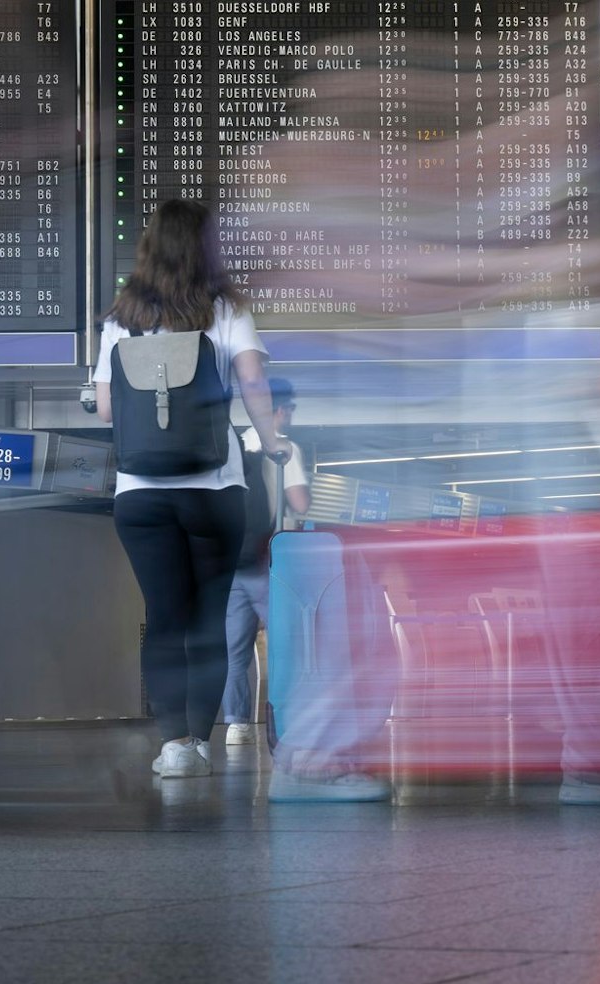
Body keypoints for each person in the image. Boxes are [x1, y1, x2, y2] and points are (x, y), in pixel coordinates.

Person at [94, 200, 382, 798]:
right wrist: (273, 442)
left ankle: (173, 746)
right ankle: (200, 739)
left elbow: (103, 406)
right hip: (212, 487)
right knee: (206, 617)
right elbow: (253, 383)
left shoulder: (121, 317)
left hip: (140, 493)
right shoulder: (224, 310)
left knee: (165, 616)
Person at [221, 377, 310, 748]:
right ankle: (288, 717)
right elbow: (301, 504)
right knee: (286, 642)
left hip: (231, 562)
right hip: (269, 561)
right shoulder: (285, 449)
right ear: (277, 408)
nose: (290, 414)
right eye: (288, 408)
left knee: (234, 651)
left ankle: (235, 725)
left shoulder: (234, 445)